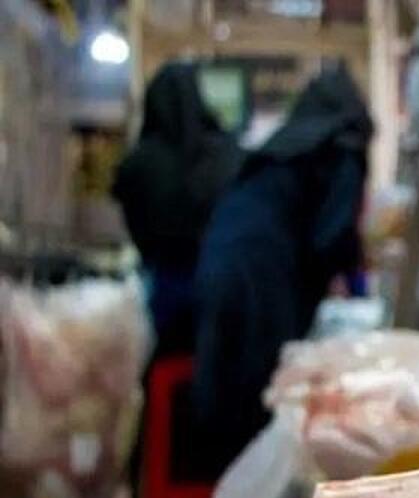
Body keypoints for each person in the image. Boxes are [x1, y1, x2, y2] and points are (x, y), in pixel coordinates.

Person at [192, 62, 374, 472]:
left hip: (220, 257)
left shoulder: (288, 142)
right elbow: (333, 235)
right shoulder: (341, 145)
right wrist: (359, 292)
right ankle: (256, 494)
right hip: (263, 272)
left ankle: (227, 489)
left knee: (229, 384)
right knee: (265, 393)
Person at [112, 62, 242, 355]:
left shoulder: (140, 163)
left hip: (162, 286)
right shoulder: (228, 155)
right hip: (221, 284)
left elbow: (134, 223)